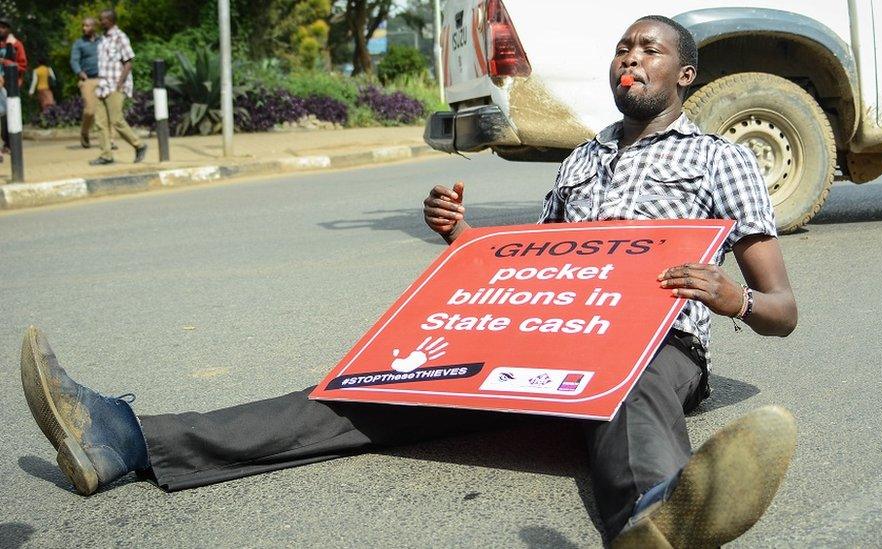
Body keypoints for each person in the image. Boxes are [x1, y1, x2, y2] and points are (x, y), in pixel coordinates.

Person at [20, 16, 799, 548]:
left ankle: (654, 519)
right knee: (366, 390)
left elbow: (782, 309)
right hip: (544, 340)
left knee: (630, 394)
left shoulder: (718, 160)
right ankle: (126, 440)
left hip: (653, 344)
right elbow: (549, 268)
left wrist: (733, 298)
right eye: (623, 49)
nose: (630, 59)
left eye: (650, 50)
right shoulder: (582, 159)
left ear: (685, 73)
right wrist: (462, 238)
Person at [89, 9, 146, 165]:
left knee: (116, 120)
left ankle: (139, 145)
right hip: (103, 85)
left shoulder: (121, 37)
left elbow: (128, 62)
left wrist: (120, 84)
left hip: (115, 85)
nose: (100, 22)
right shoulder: (103, 39)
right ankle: (106, 155)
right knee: (100, 122)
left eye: (103, 20)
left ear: (111, 20)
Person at [71, 17, 114, 149]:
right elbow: (74, 60)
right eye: (83, 26)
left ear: (94, 27)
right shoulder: (79, 43)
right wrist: (79, 72)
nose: (85, 28)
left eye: (88, 26)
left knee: (109, 109)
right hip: (88, 79)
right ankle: (84, 132)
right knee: (90, 110)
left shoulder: (103, 41)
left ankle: (109, 141)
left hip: (104, 78)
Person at [0, 17, 27, 157]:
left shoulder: (16, 45)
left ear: (9, 29)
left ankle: (9, 144)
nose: (1, 29)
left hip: (10, 85)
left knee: (8, 115)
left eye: (4, 27)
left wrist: (5, 61)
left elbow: (22, 65)